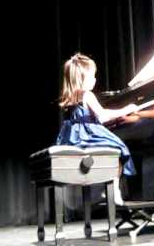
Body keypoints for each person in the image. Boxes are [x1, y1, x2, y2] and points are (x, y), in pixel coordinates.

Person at [56, 52, 138, 205]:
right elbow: (103, 116)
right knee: (117, 149)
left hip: (72, 138)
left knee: (109, 150)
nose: (95, 79)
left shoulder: (70, 97)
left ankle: (106, 188)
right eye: (92, 76)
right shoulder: (87, 95)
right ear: (82, 78)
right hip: (86, 135)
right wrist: (126, 109)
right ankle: (113, 189)